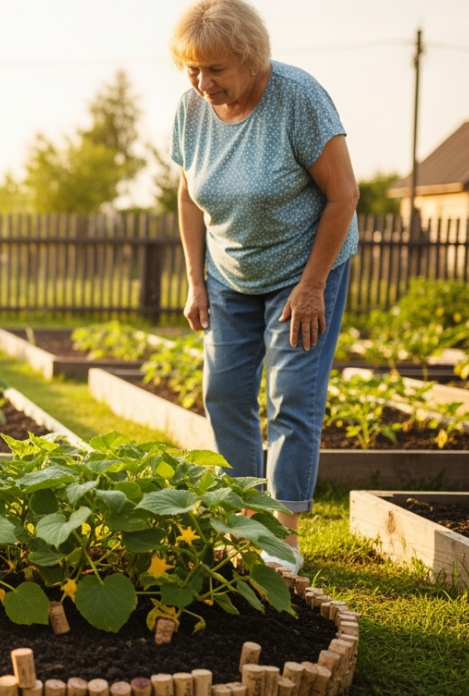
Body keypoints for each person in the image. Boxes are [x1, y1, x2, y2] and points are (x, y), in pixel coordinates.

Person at [168, 0, 360, 572]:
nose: (203, 84)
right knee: (223, 392)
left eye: (216, 70)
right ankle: (243, 519)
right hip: (230, 273)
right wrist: (195, 280)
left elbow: (344, 195)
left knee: (292, 397)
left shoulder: (298, 98)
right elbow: (187, 195)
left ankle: (285, 536)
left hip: (305, 271)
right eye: (192, 70)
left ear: (251, 59)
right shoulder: (191, 109)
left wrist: (312, 286)